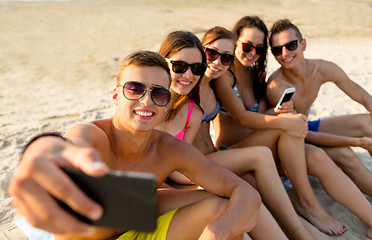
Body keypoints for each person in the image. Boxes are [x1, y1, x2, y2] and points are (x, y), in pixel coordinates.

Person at [8, 50, 261, 240]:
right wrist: (40, 149)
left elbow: (243, 192)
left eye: (159, 93)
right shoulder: (95, 136)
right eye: (134, 89)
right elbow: (68, 146)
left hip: (135, 229)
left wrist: (218, 232)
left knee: (222, 207)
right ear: (116, 96)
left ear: (167, 103)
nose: (146, 100)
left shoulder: (169, 149)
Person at [213, 16, 372, 238]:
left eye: (258, 49)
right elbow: (241, 118)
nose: (251, 53)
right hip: (235, 150)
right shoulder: (225, 75)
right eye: (247, 46)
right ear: (234, 42)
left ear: (303, 43)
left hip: (267, 146)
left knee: (317, 156)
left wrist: (279, 115)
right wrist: (283, 119)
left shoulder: (252, 72)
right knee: (290, 124)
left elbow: (263, 117)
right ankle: (308, 204)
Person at [156, 28, 319, 239]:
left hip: (194, 167)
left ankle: (300, 225)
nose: (189, 74)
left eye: (226, 58)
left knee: (249, 187)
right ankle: (301, 228)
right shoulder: (152, 106)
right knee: (245, 184)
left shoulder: (194, 106)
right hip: (177, 179)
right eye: (212, 54)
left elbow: (184, 156)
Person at [266, 18, 372, 199]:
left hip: (308, 126)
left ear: (303, 44)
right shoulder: (277, 87)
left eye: (291, 45)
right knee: (346, 154)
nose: (285, 53)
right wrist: (357, 142)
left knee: (369, 123)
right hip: (292, 141)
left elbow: (362, 96)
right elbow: (301, 133)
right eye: (277, 50)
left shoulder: (323, 68)